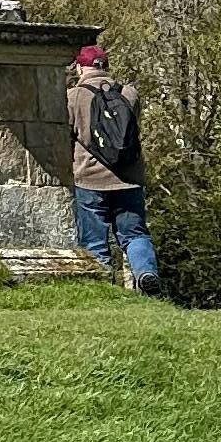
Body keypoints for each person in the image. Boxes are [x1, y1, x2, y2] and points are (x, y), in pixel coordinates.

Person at [66, 42, 159, 292]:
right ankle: (146, 272)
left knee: (95, 241)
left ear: (79, 68)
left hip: (89, 179)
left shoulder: (73, 97)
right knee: (135, 234)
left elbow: (66, 137)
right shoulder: (129, 94)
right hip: (129, 178)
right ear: (106, 67)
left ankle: (104, 290)